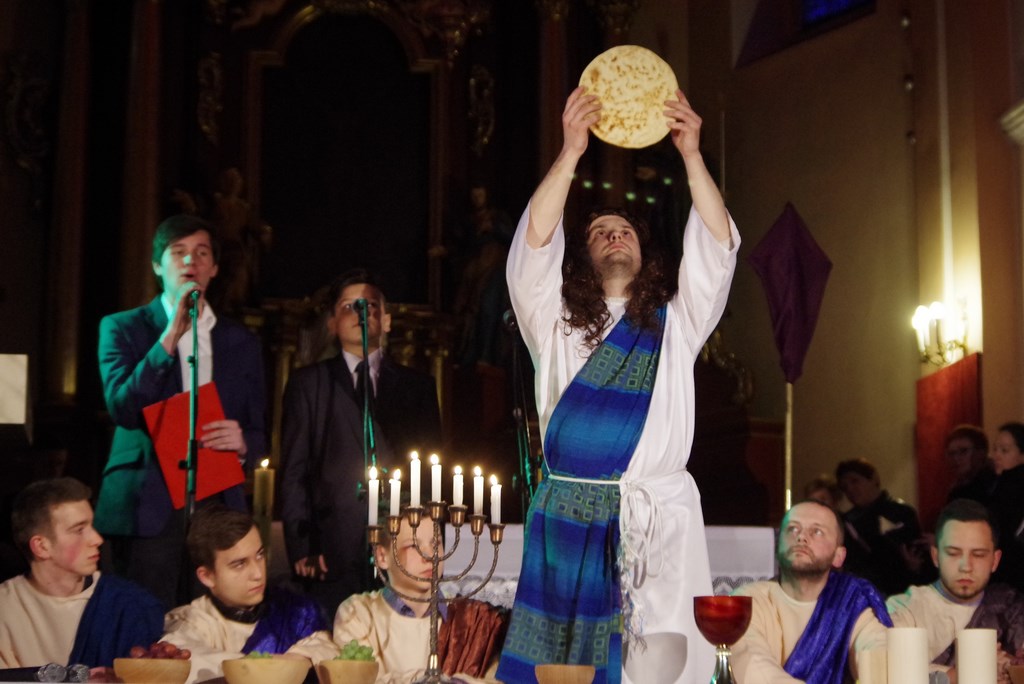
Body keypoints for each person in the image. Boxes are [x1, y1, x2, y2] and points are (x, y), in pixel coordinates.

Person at [496, 85, 740, 684]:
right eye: (599, 230)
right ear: (578, 256)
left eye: (625, 229)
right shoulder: (551, 323)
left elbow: (717, 250)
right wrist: (570, 152)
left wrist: (691, 155)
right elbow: (530, 247)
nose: (614, 235)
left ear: (645, 252)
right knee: (567, 673)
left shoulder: (677, 322)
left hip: (659, 517)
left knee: (660, 671)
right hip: (570, 518)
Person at [96, 214, 267, 609]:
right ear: (158, 266)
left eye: (202, 253)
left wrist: (243, 442)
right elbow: (123, 408)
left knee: (209, 620)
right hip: (148, 501)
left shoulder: (240, 341)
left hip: (215, 499)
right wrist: (171, 335)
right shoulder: (123, 327)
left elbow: (259, 430)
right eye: (179, 252)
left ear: (215, 268)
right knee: (145, 618)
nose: (191, 261)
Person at [280, 268, 443, 617]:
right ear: (332, 323)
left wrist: (429, 536)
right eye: (348, 306)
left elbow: (430, 469)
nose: (360, 313)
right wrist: (302, 544)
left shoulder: (417, 387)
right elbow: (294, 470)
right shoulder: (309, 385)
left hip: (402, 543)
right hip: (331, 546)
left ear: (386, 320)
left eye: (369, 305)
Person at [0, 478, 163, 670]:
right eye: (79, 530)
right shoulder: (5, 607)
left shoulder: (130, 605)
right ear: (41, 546)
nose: (97, 539)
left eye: (92, 526)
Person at [162, 505, 337, 684]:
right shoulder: (189, 621)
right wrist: (269, 668)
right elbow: (184, 659)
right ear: (207, 576)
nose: (258, 574)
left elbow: (326, 648)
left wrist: (301, 658)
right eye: (240, 564)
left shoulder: (297, 612)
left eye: (260, 556)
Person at [731, 500, 892, 684]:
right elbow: (752, 663)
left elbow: (876, 651)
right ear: (777, 545)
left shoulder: (851, 602)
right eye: (793, 529)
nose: (801, 537)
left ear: (838, 556)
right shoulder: (749, 601)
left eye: (817, 531)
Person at [332, 514, 505, 683]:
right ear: (382, 557)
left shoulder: (474, 620)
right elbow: (359, 680)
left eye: (435, 543)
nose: (430, 556)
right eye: (414, 546)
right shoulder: (359, 613)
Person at [887, 499, 1024, 684]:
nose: (966, 566)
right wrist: (967, 673)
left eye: (978, 555)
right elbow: (893, 675)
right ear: (935, 556)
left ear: (995, 560)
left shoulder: (1010, 607)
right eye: (953, 553)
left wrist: (1011, 666)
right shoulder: (905, 609)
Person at [835, 457, 931, 595]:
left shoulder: (901, 512)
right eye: (845, 487)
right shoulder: (847, 523)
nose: (850, 490)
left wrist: (915, 568)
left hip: (905, 590)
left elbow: (918, 556)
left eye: (855, 481)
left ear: (873, 479)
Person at [988, 422, 1024, 592]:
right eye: (995, 449)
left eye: (1004, 450)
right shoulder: (997, 483)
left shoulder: (1012, 487)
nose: (996, 455)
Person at [943, 424, 996, 504]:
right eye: (952, 453)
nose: (956, 458)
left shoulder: (994, 486)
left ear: (981, 452)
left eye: (963, 451)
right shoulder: (957, 490)